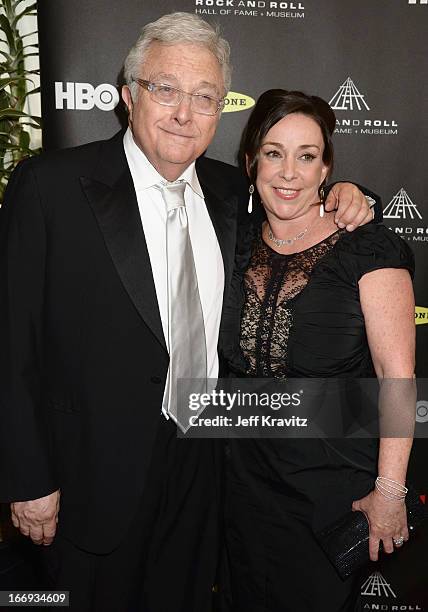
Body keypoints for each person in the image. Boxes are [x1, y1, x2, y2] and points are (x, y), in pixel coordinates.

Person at [0, 12, 379, 612]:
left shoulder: (233, 192)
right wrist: (27, 480)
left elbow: (299, 205)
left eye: (204, 97)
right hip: (87, 477)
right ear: (129, 97)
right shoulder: (50, 186)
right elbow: (11, 344)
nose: (185, 113)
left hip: (206, 471)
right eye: (166, 89)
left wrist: (353, 195)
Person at [220, 90, 415, 611]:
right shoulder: (231, 239)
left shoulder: (367, 247)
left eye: (307, 155)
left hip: (328, 492)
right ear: (250, 161)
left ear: (326, 167)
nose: (289, 172)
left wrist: (390, 492)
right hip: (238, 485)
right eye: (274, 153)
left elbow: (396, 376)